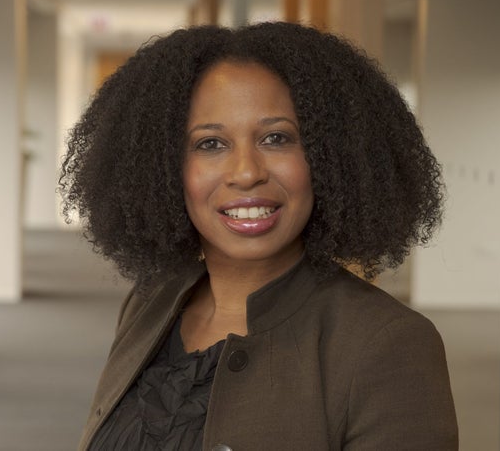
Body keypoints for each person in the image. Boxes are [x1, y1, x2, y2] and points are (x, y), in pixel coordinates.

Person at [60, 22, 458, 451]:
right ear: (163, 166)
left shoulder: (386, 344)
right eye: (210, 144)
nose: (247, 172)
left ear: (329, 157)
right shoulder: (150, 301)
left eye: (276, 138)